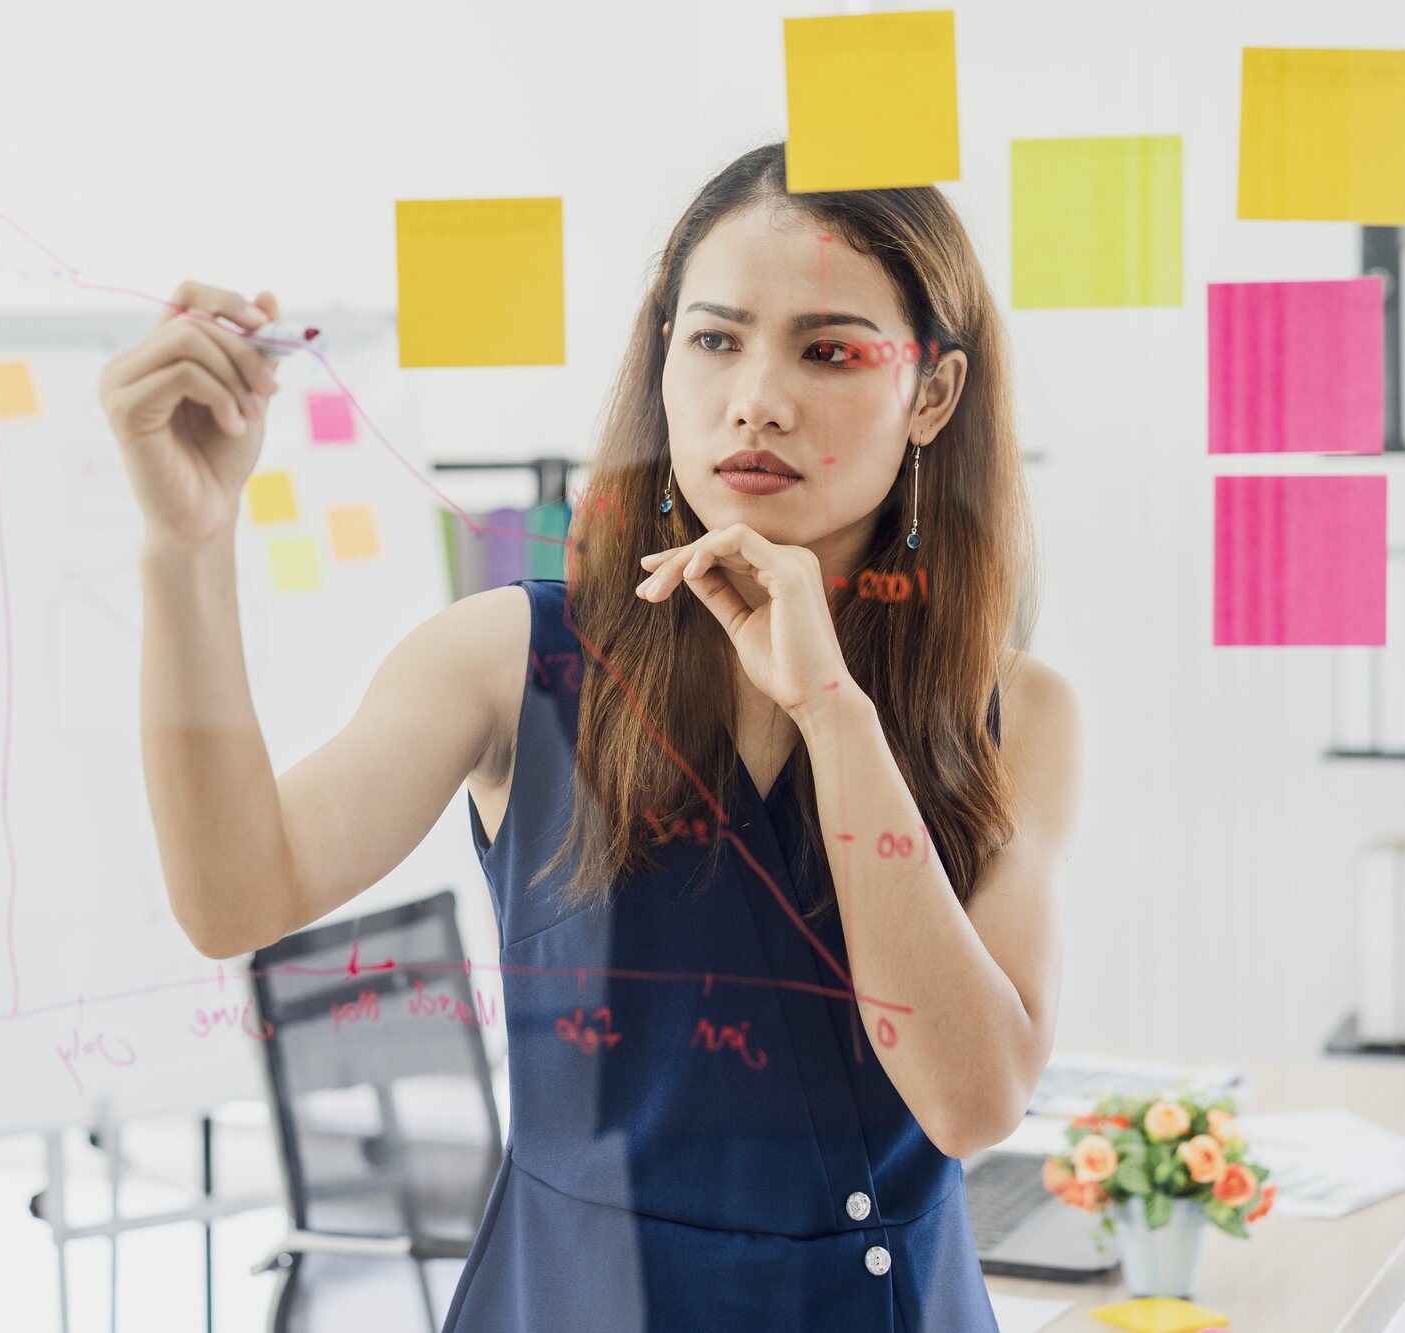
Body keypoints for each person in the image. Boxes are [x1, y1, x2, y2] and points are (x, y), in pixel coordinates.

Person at [98, 138, 1083, 1331]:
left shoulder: (1012, 712)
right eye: (713, 337)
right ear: (662, 356)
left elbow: (971, 1101)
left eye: (826, 350)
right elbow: (233, 895)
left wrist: (832, 710)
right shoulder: (508, 660)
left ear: (930, 393)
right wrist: (186, 547)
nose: (754, 398)